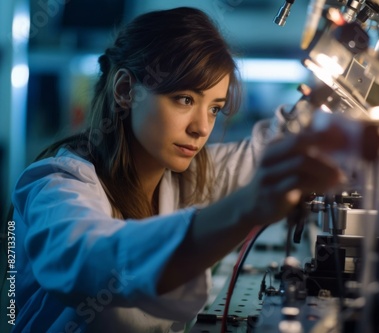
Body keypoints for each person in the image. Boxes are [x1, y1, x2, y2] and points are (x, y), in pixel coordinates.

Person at [7, 6, 345, 333]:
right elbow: (86, 260)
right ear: (126, 90)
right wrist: (244, 207)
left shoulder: (181, 177)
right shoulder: (56, 185)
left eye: (215, 108)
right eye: (185, 99)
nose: (201, 127)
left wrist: (342, 110)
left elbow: (264, 151)